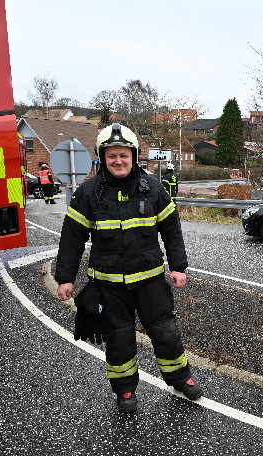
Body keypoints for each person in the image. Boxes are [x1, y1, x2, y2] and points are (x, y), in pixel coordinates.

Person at [54, 123, 202, 413]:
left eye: (123, 155)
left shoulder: (154, 189)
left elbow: (172, 230)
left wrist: (179, 266)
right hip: (109, 286)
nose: (118, 161)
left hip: (150, 281)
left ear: (133, 156)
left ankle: (181, 378)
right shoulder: (87, 193)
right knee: (119, 340)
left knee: (166, 333)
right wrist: (65, 278)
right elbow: (71, 239)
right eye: (112, 156)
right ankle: (124, 391)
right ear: (102, 158)